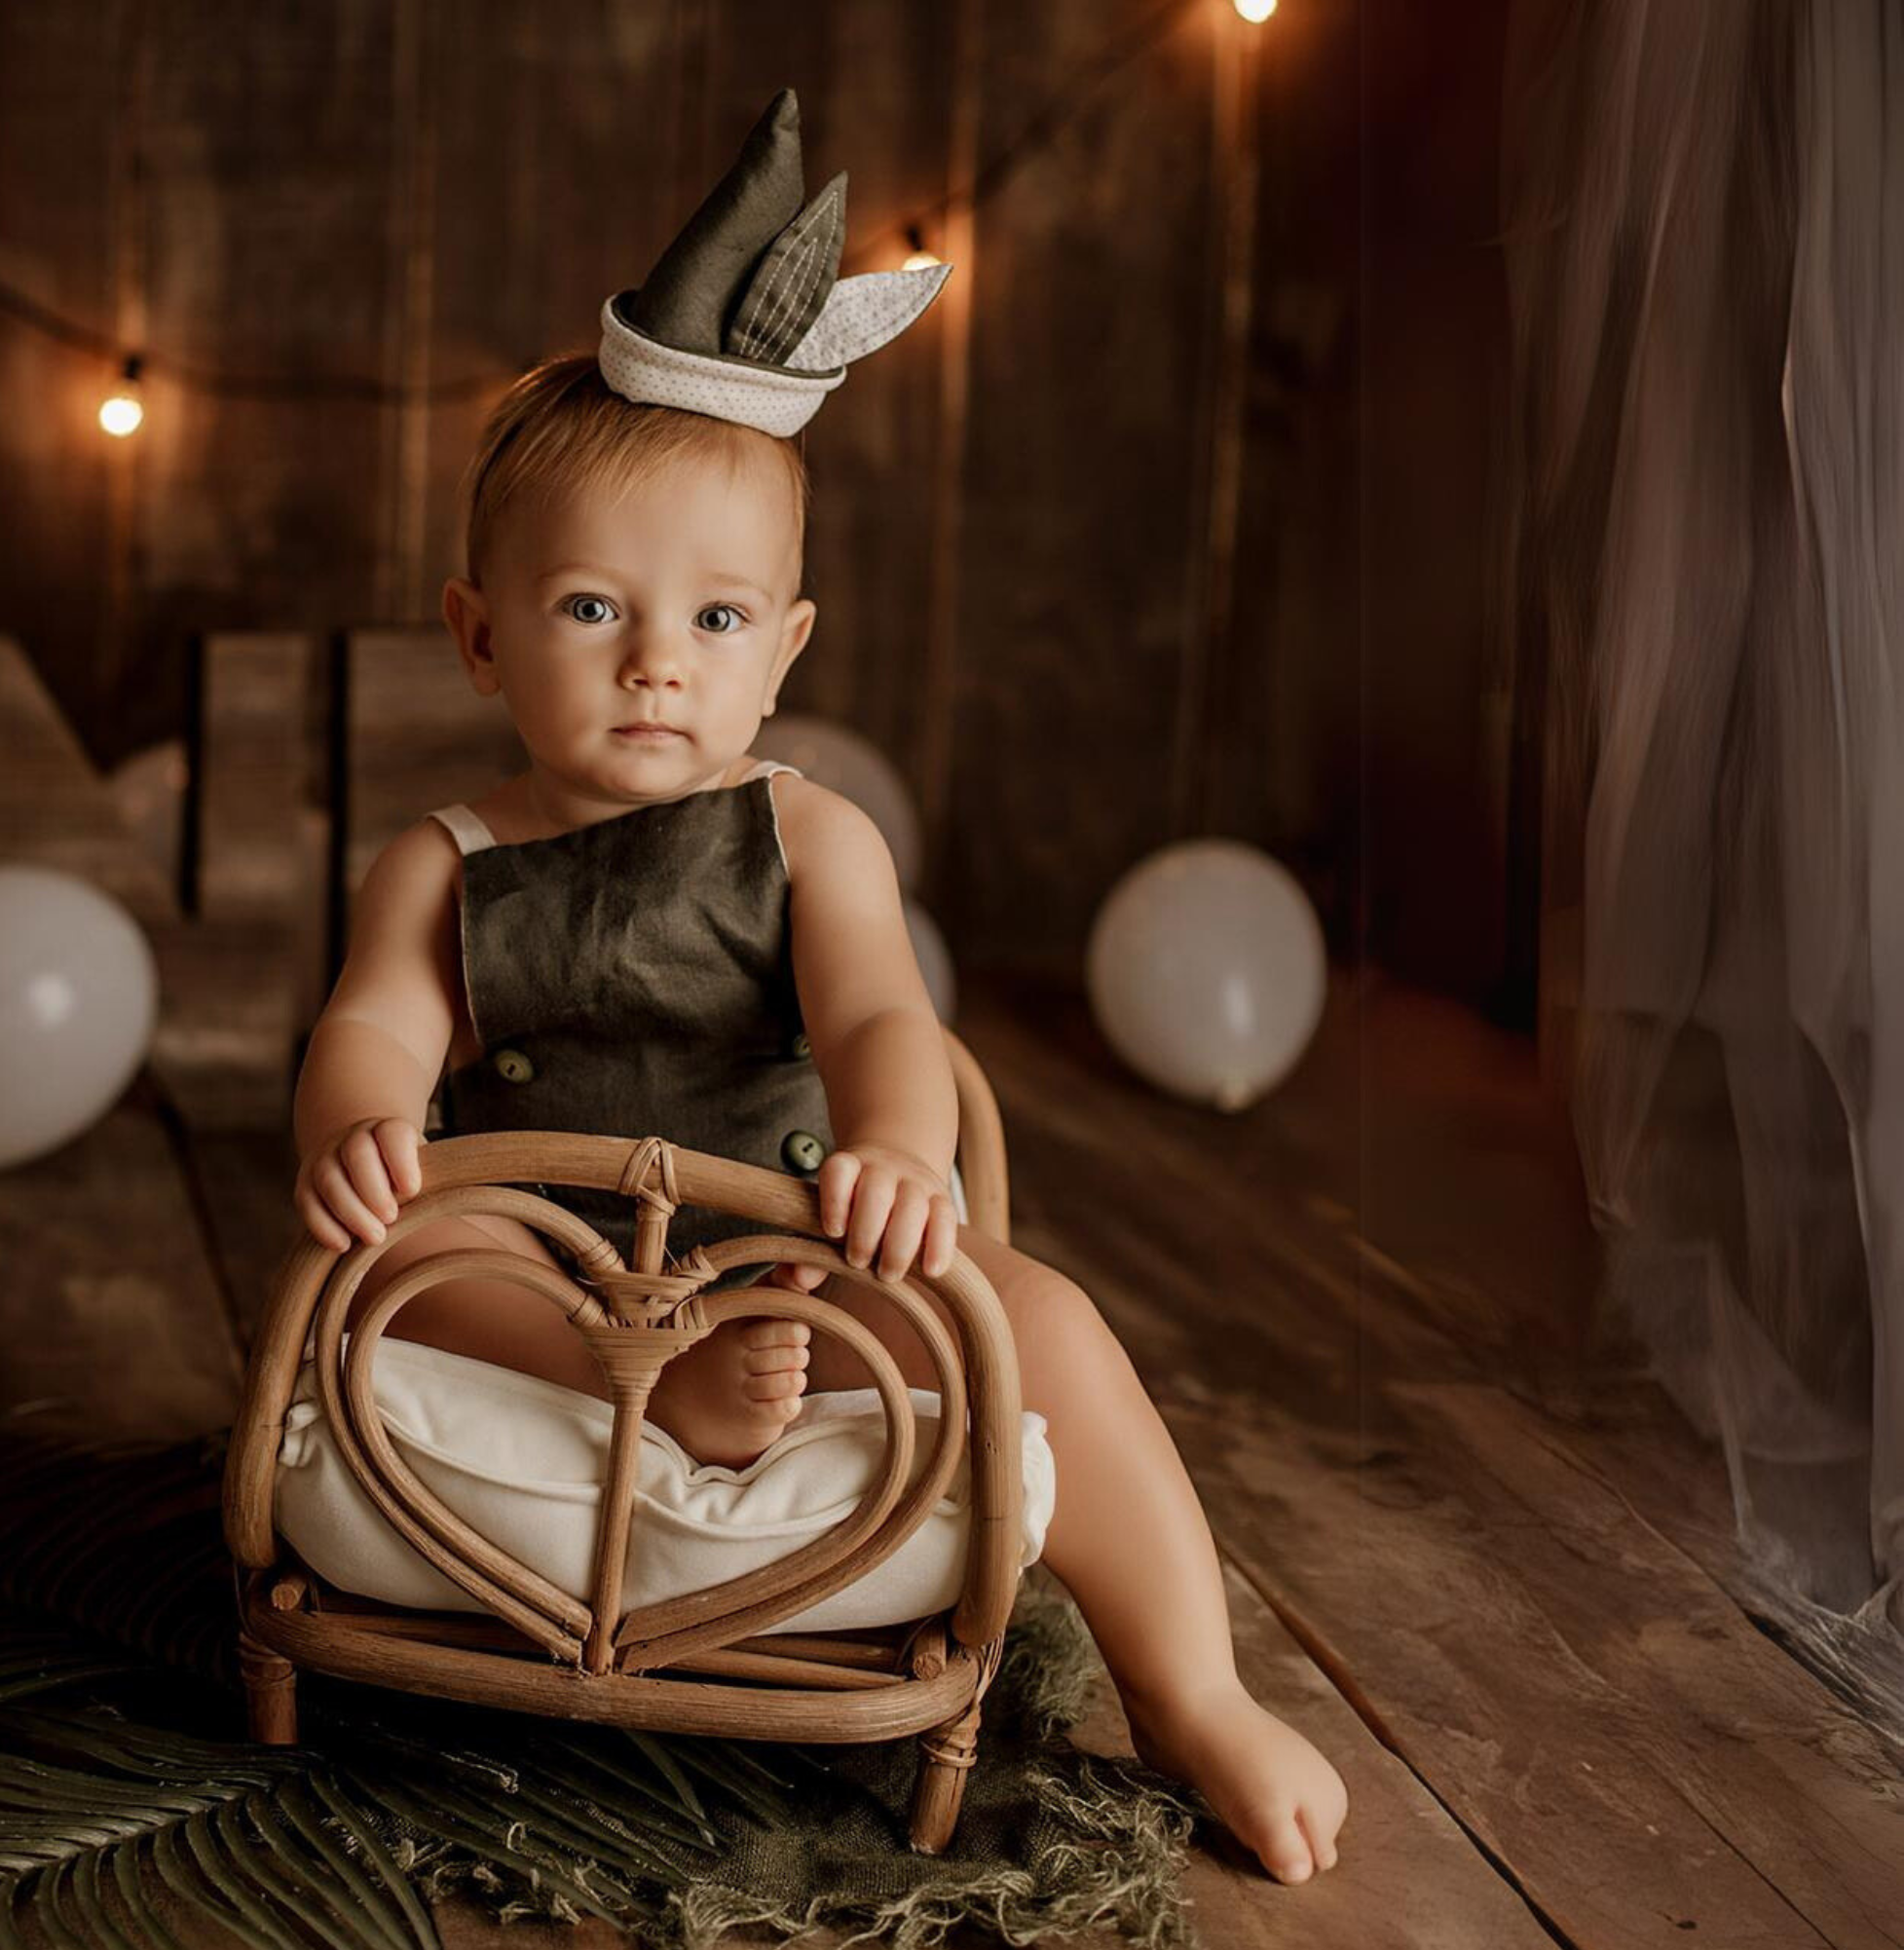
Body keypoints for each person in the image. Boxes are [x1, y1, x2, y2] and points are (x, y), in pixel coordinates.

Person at [286, 91, 1350, 1885]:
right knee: (384, 1264)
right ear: (480, 632)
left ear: (781, 651)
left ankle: (1195, 1693)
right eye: (588, 611)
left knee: (1057, 1330)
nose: (654, 668)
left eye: (714, 622)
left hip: (786, 1236)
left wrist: (898, 1156)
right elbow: (372, 1026)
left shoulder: (809, 835)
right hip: (541, 1246)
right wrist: (365, 1125)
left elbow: (879, 1022)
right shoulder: (444, 861)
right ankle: (655, 1385)